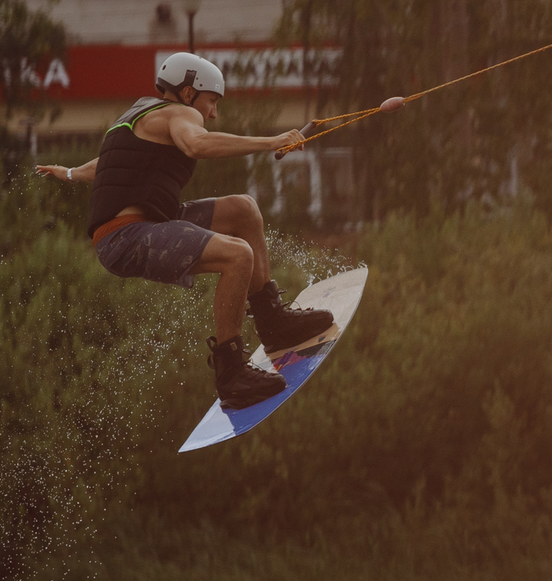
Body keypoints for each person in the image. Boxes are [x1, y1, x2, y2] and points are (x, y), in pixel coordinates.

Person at [37, 51, 333, 410]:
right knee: (238, 255)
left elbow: (106, 165)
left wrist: (68, 173)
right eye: (212, 102)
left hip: (147, 224)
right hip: (127, 235)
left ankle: (273, 323)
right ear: (189, 92)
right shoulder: (181, 113)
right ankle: (232, 375)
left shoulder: (140, 116)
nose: (213, 114)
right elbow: (197, 144)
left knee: (243, 209)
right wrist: (270, 142)